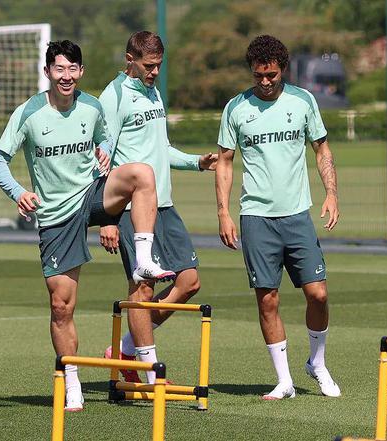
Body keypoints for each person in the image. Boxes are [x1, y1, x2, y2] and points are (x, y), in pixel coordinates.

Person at [0, 40, 174, 411]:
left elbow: (105, 136)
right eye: (59, 69)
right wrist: (18, 192)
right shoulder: (29, 113)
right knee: (61, 305)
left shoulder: (92, 106)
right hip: (57, 214)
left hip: (92, 194)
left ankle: (143, 259)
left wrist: (103, 149)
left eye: (73, 69)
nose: (66, 76)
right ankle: (71, 380)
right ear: (47, 72)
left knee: (142, 173)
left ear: (81, 71)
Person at [215, 35, 341, 400]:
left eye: (271, 75)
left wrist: (332, 193)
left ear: (282, 69)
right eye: (258, 76)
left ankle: (317, 363)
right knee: (267, 299)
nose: (265, 81)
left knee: (318, 294)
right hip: (256, 218)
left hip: (297, 216)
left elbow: (322, 149)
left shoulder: (303, 101)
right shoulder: (236, 108)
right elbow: (224, 161)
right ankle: (284, 381)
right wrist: (223, 212)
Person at [98, 31, 217, 384]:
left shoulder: (153, 92)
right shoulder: (113, 96)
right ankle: (151, 374)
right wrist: (106, 218)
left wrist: (196, 162)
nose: (154, 72)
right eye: (149, 66)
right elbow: (100, 160)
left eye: (159, 66)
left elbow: (161, 148)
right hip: (130, 210)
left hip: (164, 204)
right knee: (143, 287)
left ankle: (126, 349)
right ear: (129, 59)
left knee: (189, 282)